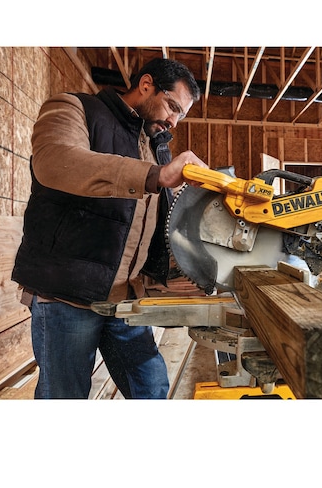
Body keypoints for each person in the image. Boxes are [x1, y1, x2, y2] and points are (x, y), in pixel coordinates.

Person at [12, 57, 207, 399]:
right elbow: (54, 161)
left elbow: (153, 225)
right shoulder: (74, 108)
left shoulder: (155, 147)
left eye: (181, 115)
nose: (173, 121)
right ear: (146, 86)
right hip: (66, 296)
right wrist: (155, 176)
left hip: (123, 299)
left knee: (152, 389)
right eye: (172, 106)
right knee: (64, 397)